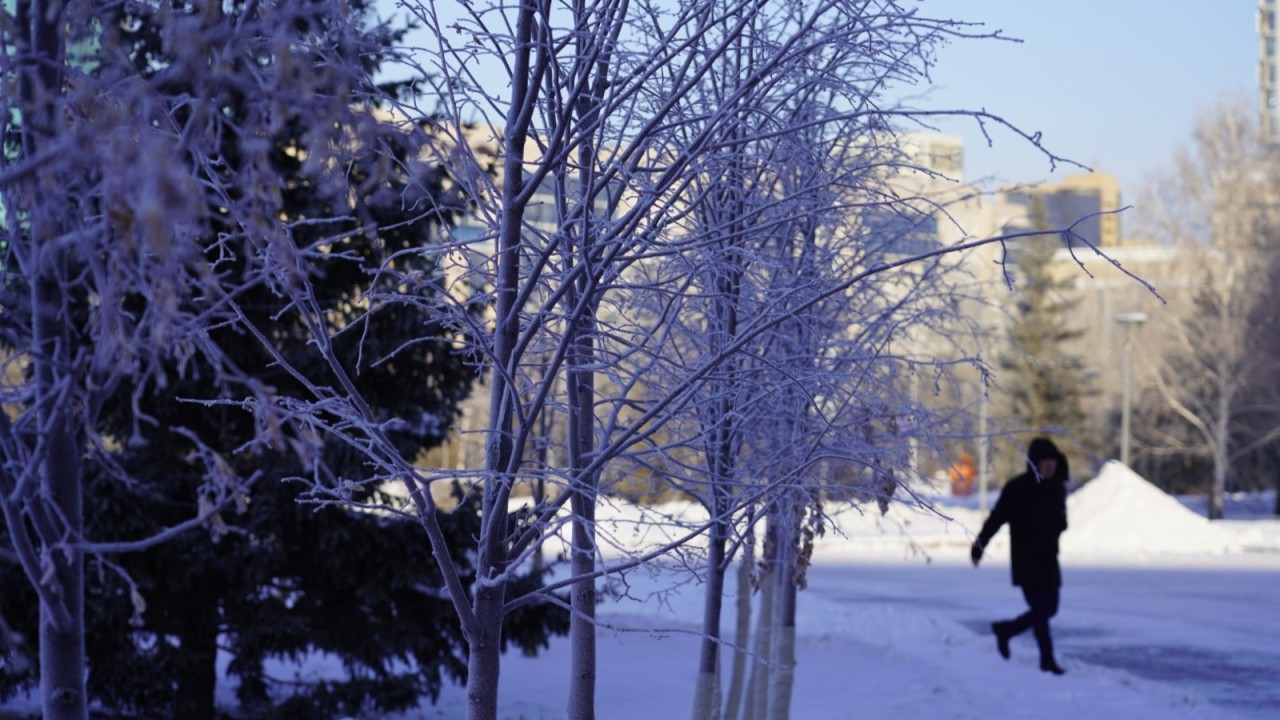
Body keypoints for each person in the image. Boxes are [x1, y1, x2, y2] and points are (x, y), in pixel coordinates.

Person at [970, 436, 1069, 675]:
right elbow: (996, 518)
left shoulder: (1057, 488)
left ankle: (1006, 630)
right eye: (1044, 462)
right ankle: (1047, 660)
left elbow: (1060, 523)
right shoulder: (1018, 489)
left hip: (1049, 559)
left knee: (1049, 609)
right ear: (1034, 463)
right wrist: (979, 545)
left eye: (1052, 461)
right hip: (1026, 560)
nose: (1049, 466)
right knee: (1041, 610)